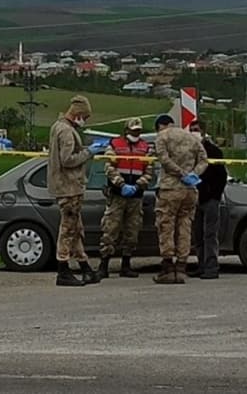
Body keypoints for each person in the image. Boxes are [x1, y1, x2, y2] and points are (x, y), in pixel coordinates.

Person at [48, 94, 109, 287]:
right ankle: (63, 270)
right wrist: (89, 152)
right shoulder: (66, 132)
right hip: (69, 186)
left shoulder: (57, 126)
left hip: (65, 185)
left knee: (76, 229)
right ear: (78, 114)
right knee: (67, 229)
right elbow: (68, 160)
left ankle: (85, 268)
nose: (86, 121)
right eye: (86, 117)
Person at [151, 114, 207, 284]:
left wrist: (179, 173)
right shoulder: (191, 137)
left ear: (160, 126)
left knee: (166, 225)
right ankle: (182, 266)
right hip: (190, 189)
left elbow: (164, 159)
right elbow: (204, 160)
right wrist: (193, 174)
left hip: (170, 188)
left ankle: (167, 267)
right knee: (185, 225)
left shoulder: (162, 137)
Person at [97, 117, 154, 279]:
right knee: (110, 229)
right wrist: (121, 185)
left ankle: (126, 265)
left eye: (138, 130)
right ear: (126, 130)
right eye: (133, 130)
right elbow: (109, 167)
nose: (136, 133)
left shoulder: (146, 148)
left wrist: (138, 185)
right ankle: (104, 264)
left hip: (136, 195)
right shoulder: (115, 145)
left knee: (132, 231)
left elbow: (149, 171)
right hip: (117, 194)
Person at [188, 120, 227, 280]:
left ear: (203, 131)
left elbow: (221, 176)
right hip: (195, 198)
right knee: (198, 234)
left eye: (196, 130)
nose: (193, 133)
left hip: (210, 199)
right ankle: (202, 265)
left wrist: (214, 195)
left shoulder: (214, 151)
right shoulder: (190, 151)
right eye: (191, 130)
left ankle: (212, 267)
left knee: (209, 234)